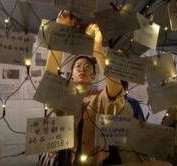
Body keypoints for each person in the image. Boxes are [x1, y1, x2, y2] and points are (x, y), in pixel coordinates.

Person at [41, 10, 130, 165]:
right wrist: (59, 34)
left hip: (95, 160)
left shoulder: (99, 96)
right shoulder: (64, 95)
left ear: (94, 75)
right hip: (65, 158)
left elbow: (116, 93)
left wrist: (98, 49)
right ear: (71, 74)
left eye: (88, 67)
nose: (82, 69)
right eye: (78, 67)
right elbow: (49, 83)